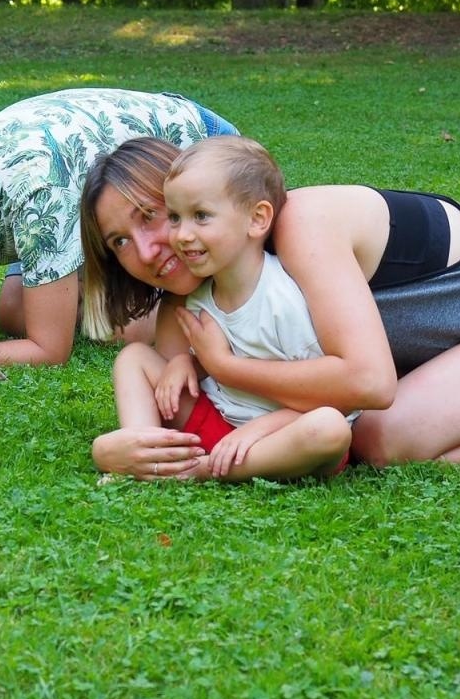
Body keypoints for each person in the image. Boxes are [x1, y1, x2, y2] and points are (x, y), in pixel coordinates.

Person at [82, 137, 460, 474]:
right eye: (120, 241)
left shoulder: (301, 228)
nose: (151, 248)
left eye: (152, 215)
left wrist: (225, 366)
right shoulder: (220, 269)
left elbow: (370, 386)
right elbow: (170, 341)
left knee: (378, 439)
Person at [0, 88, 237, 368]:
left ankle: (193, 304)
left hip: (197, 146)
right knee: (15, 312)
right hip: (89, 186)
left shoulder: (38, 203)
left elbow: (50, 352)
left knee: (126, 330)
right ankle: (94, 289)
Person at [107, 137, 352, 482]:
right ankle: (148, 452)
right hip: (217, 424)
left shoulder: (283, 300)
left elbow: (330, 400)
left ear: (257, 219)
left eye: (201, 216)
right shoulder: (201, 289)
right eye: (175, 217)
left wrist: (256, 431)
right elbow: (211, 355)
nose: (182, 234)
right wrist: (183, 363)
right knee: (134, 357)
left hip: (277, 442)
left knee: (329, 429)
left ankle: (197, 472)